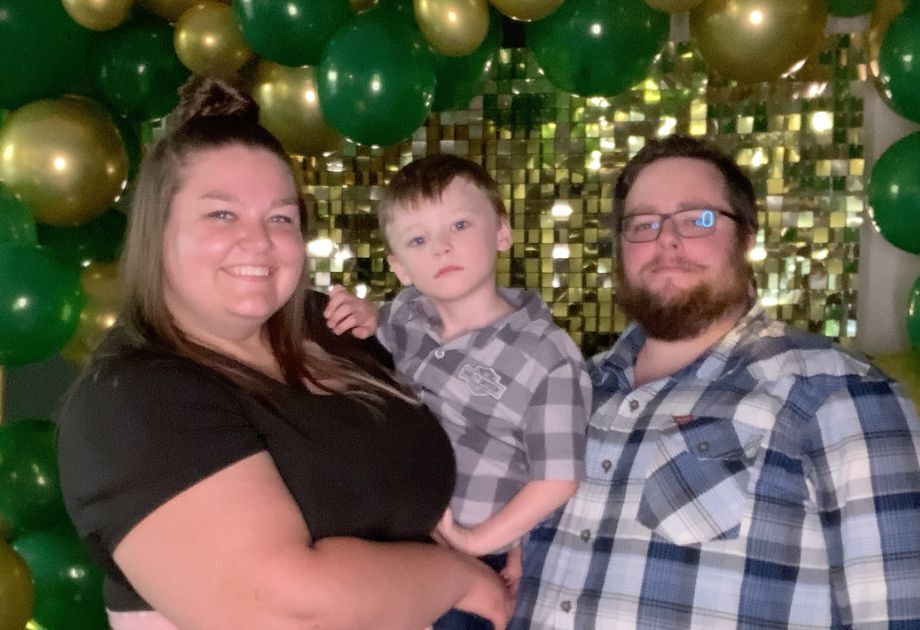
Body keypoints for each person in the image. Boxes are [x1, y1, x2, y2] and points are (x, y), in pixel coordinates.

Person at [56, 77, 513, 630]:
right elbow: (288, 610)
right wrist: (460, 579)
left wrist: (496, 530)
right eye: (221, 215)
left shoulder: (330, 328)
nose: (259, 241)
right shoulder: (128, 402)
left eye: (280, 217)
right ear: (158, 230)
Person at [511, 134, 920, 629]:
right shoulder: (569, 389)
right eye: (643, 223)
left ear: (746, 237)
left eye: (697, 219)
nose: (667, 240)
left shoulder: (837, 391)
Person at [324, 154, 591, 629]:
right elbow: (382, 328)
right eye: (419, 239)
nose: (442, 247)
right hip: (390, 538)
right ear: (400, 265)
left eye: (460, 224)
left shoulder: (547, 355)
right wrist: (366, 317)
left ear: (501, 232)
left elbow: (556, 478)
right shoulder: (406, 315)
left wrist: (480, 541)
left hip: (469, 554)